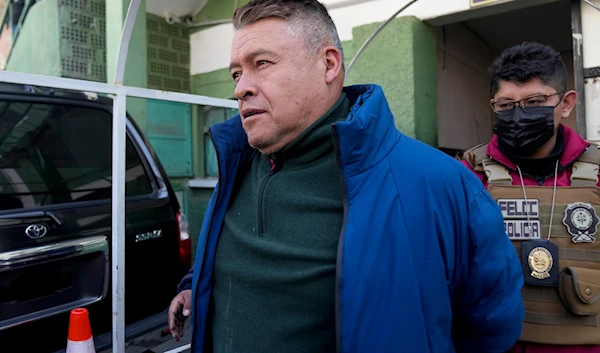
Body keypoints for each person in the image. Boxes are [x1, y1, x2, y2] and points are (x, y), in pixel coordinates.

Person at [169, 1, 524, 352]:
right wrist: (194, 283)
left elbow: (491, 324)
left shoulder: (441, 184)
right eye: (236, 73)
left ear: (328, 64)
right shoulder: (235, 167)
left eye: (262, 63)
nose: (241, 87)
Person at [461, 42, 600, 353]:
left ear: (566, 104)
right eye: (506, 105)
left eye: (535, 101)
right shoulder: (470, 176)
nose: (520, 115)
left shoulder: (598, 174)